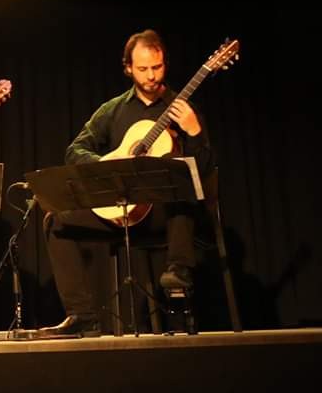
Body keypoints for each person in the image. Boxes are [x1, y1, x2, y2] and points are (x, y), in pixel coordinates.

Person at [36, 29, 216, 338]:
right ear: (128, 68)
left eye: (157, 67)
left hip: (165, 218)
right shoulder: (114, 110)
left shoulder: (182, 108)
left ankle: (178, 277)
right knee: (56, 221)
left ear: (165, 64)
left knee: (179, 190)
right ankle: (82, 316)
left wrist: (194, 131)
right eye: (143, 68)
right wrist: (105, 163)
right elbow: (75, 150)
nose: (151, 76)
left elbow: (204, 169)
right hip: (120, 210)